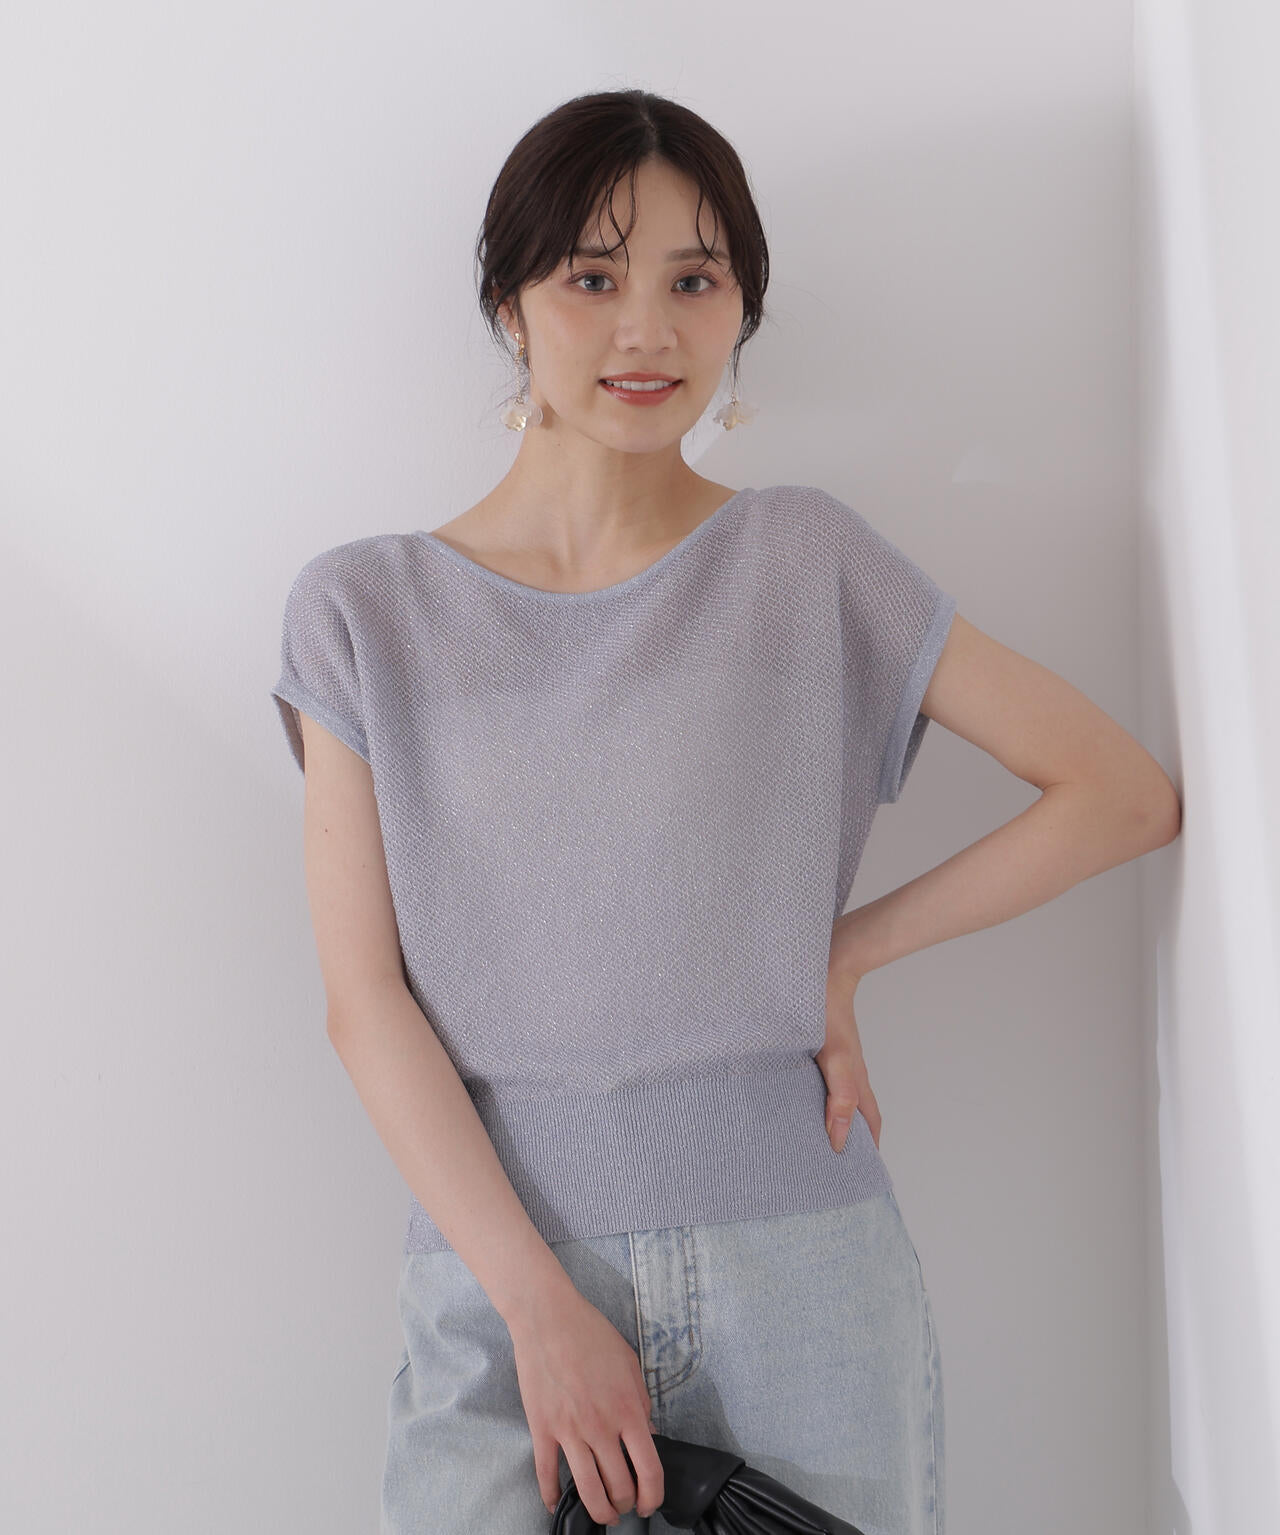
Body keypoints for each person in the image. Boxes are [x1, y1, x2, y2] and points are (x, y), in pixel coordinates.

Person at [269, 89, 1181, 1535]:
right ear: (510, 305)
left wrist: (846, 952)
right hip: (503, 1289)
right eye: (593, 278)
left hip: (803, 1278)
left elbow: (1118, 793)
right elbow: (363, 1002)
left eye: (694, 281)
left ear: (742, 305)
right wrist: (538, 1309)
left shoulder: (804, 561)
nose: (648, 329)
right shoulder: (363, 613)